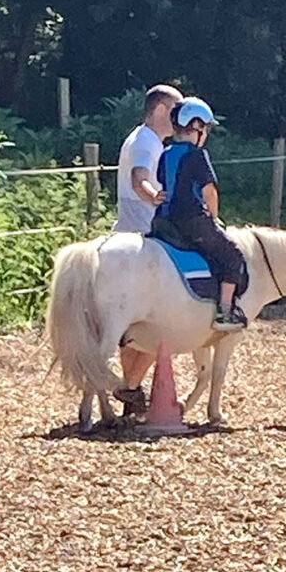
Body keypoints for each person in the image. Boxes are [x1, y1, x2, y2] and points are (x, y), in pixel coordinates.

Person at [113, 84, 183, 410]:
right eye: (175, 110)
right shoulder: (147, 142)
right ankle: (129, 386)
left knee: (131, 328)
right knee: (165, 321)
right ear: (159, 111)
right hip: (145, 236)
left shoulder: (140, 138)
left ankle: (131, 391)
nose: (181, 118)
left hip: (124, 231)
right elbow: (139, 177)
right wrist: (151, 194)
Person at [152, 96, 247, 332]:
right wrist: (213, 218)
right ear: (197, 127)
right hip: (192, 220)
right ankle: (225, 311)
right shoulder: (197, 155)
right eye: (206, 128)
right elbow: (209, 192)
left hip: (163, 220)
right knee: (232, 255)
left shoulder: (165, 153)